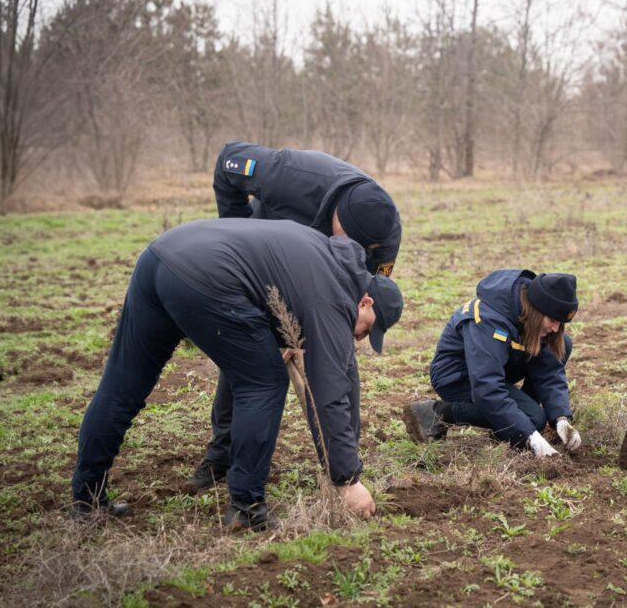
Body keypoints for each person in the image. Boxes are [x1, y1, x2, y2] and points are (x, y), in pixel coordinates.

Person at [70, 218, 403, 529]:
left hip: (161, 255)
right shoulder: (334, 298)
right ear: (366, 302)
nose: (358, 339)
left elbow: (271, 282)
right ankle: (246, 507)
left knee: (122, 386)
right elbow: (329, 394)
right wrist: (348, 481)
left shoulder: (327, 257)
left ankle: (87, 500)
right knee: (263, 381)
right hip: (207, 274)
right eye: (365, 331)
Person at [187, 142, 402, 492]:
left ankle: (342, 464)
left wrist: (329, 335)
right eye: (345, 238)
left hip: (317, 284)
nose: (348, 248)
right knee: (250, 358)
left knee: (339, 362)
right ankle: (221, 455)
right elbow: (228, 162)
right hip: (258, 264)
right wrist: (235, 233)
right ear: (336, 215)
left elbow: (366, 294)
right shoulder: (292, 175)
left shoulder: (384, 237)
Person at [402, 271, 582, 458]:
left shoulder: (532, 314)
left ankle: (509, 425)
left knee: (562, 345)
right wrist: (529, 434)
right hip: (458, 377)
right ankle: (437, 413)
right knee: (533, 420)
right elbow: (487, 387)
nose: (555, 328)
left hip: (497, 369)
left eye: (560, 322)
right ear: (537, 310)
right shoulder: (490, 320)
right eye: (553, 320)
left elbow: (549, 373)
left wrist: (561, 418)